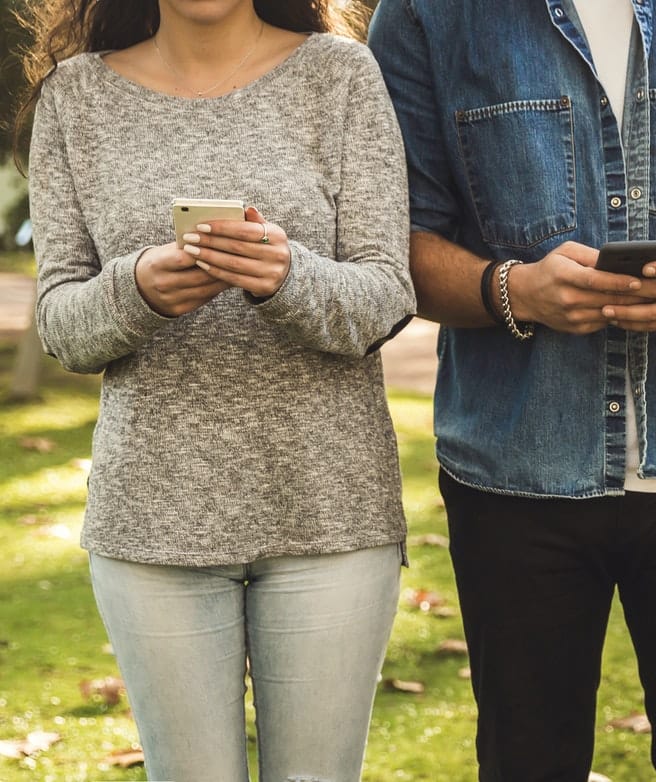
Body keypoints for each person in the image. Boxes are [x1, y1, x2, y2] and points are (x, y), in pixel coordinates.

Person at [367, 1, 656, 778]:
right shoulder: (426, 12)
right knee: (528, 762)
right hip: (515, 469)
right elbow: (392, 232)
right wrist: (511, 289)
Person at [16, 0, 414, 779]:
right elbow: (61, 325)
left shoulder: (340, 75)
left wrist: (285, 277)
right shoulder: (75, 96)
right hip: (153, 523)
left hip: (329, 513)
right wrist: (135, 290)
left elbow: (385, 296)